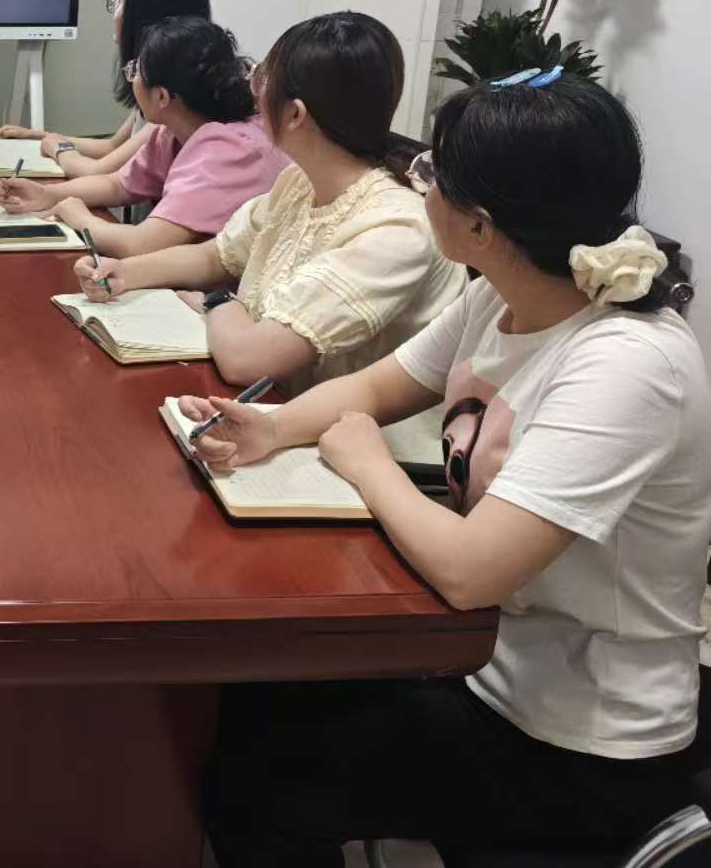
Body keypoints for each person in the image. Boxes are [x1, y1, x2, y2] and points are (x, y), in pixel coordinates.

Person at [190, 71, 710, 864]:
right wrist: (270, 428)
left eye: (433, 173)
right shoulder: (505, 293)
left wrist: (369, 463)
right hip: (481, 659)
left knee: (258, 782)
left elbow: (472, 573)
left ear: (479, 225)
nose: (418, 183)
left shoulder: (628, 364)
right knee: (256, 701)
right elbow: (379, 386)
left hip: (579, 738)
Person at [75, 12, 464, 460]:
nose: (251, 92)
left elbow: (247, 358)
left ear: (294, 114)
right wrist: (124, 273)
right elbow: (216, 256)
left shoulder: (394, 228)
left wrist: (218, 301)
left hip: (363, 458)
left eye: (260, 81)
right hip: (281, 418)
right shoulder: (301, 183)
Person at [0, 17, 288, 258]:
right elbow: (118, 184)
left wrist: (78, 217)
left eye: (136, 71)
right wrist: (46, 195)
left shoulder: (227, 150)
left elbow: (139, 245)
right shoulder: (173, 129)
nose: (132, 77)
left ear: (162, 96)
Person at [0, 0, 211, 177]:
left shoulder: (169, 110)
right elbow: (112, 146)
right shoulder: (156, 81)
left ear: (145, 19)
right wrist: (39, 136)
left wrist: (57, 149)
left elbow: (98, 172)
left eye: (121, 3)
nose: (115, 13)